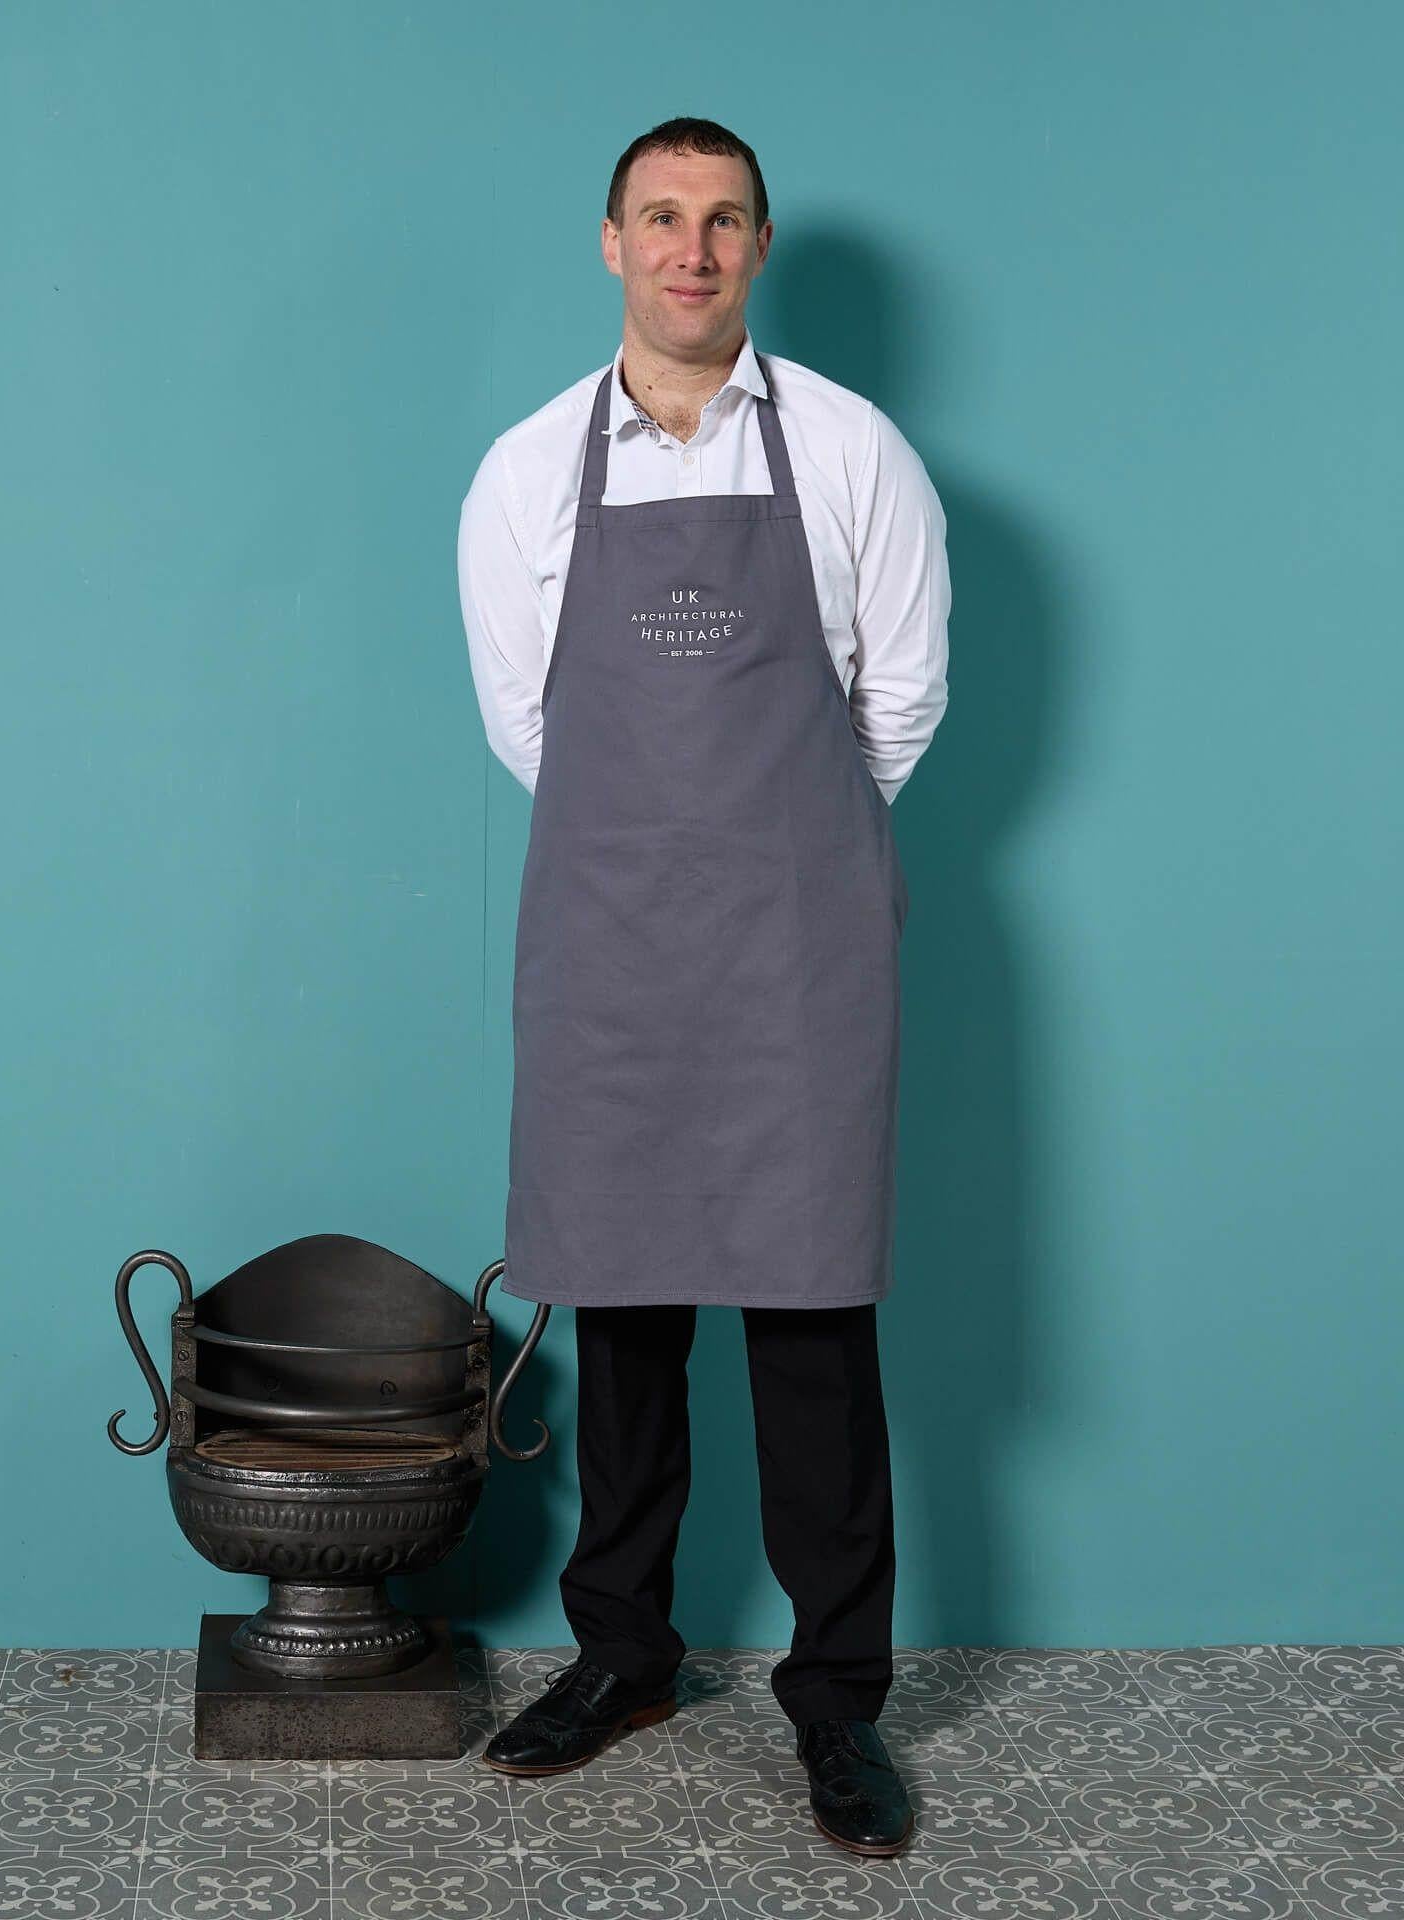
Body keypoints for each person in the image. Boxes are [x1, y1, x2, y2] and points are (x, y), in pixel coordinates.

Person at [455, 116, 950, 1857]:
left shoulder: (852, 449)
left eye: (722, 219)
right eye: (659, 218)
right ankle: (626, 1656)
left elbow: (897, 704)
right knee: (627, 1310)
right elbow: (531, 725)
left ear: (760, 246)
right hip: (611, 949)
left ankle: (838, 1703)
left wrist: (778, 848)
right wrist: (656, 848)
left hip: (800, 947)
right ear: (611, 243)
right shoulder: (526, 470)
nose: (691, 248)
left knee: (813, 1325)